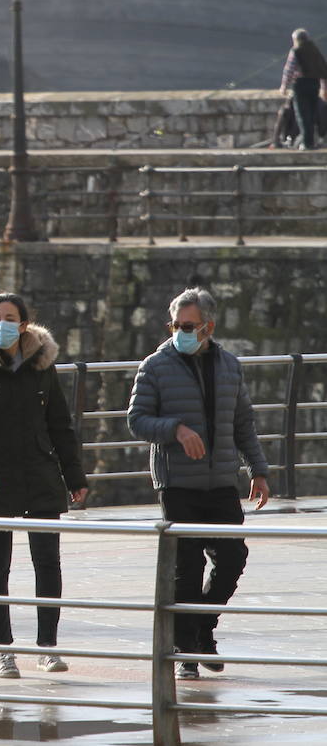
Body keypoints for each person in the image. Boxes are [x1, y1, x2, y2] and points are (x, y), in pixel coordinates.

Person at [126, 287, 270, 681]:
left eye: (189, 326)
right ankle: (186, 651)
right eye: (176, 325)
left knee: (233, 558)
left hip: (221, 479)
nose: (181, 332)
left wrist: (258, 470)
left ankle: (202, 629)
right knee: (186, 567)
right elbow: (137, 420)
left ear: (209, 327)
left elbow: (243, 422)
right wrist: (175, 429)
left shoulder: (229, 366)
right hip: (177, 482)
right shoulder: (155, 366)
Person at [0, 292, 88, 679]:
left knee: (47, 563)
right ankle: (3, 650)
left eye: (10, 318)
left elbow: (60, 424)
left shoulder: (41, 365)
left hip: (40, 475)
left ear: (24, 324)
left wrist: (74, 476)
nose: (2, 324)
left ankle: (48, 647)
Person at [279, 28, 327, 150]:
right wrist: (324, 88)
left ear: (296, 39)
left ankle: (307, 143)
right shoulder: (314, 50)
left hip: (300, 85)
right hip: (314, 84)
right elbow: (323, 69)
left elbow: (289, 70)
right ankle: (311, 141)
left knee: (302, 115)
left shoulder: (296, 51)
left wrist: (284, 86)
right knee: (311, 113)